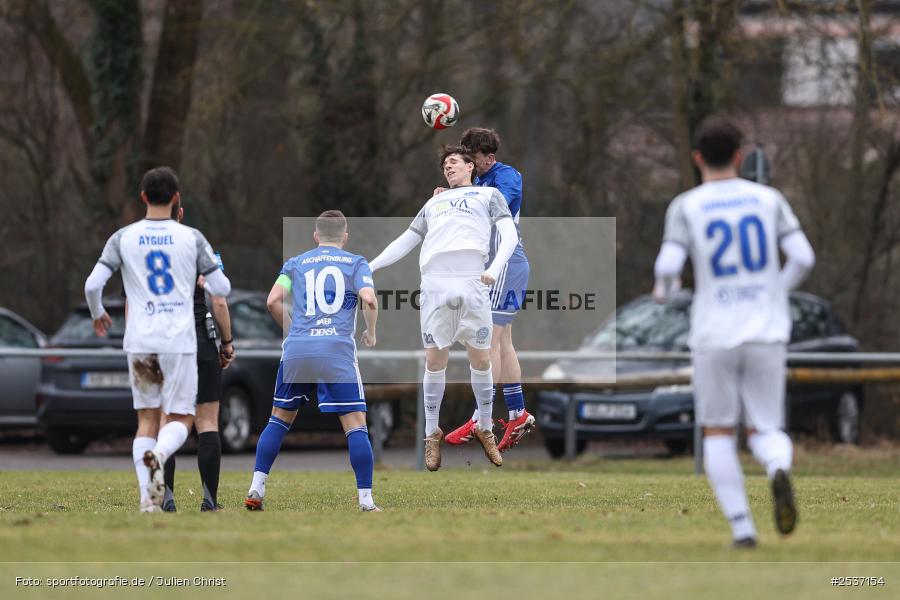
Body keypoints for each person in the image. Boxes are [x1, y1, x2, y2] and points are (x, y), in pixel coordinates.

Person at [653, 115, 815, 548]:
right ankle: (778, 465)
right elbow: (803, 257)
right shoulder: (768, 199)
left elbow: (668, 266)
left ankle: (743, 530)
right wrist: (773, 293)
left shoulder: (687, 205)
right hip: (766, 330)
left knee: (718, 431)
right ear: (740, 156)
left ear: (698, 158)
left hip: (714, 332)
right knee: (765, 427)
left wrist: (665, 292)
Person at [84, 166, 231, 513]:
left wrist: (97, 313)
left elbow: (93, 285)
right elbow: (221, 290)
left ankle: (150, 500)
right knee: (184, 420)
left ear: (143, 197)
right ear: (177, 199)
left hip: (141, 342)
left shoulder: (123, 238)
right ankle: (161, 455)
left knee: (149, 422)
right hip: (180, 341)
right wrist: (204, 280)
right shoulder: (192, 239)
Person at [369, 145, 519, 471]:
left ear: (470, 167)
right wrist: (371, 266)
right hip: (435, 284)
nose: (448, 168)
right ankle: (431, 433)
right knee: (435, 359)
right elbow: (406, 240)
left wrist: (494, 268)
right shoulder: (434, 201)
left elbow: (509, 235)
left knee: (481, 358)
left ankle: (484, 427)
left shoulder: (489, 195)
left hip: (473, 281)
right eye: (444, 165)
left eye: (454, 162)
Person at [245, 210, 380, 512]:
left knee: (279, 418)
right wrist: (370, 333)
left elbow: (272, 301)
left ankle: (256, 485)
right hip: (337, 350)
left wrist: (294, 332)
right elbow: (369, 299)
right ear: (345, 236)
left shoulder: (296, 263)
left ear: (316, 236)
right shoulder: (356, 263)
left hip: (298, 349)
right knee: (356, 425)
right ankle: (366, 501)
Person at [442, 128, 535, 453]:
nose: (469, 163)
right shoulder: (476, 181)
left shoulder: (505, 176)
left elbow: (497, 209)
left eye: (474, 160)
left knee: (489, 338)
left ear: (489, 158)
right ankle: (517, 411)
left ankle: (480, 418)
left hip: (505, 265)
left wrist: (461, 198)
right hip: (502, 266)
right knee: (504, 340)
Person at [160, 200, 235, 512]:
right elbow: (218, 301)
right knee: (207, 422)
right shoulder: (198, 245)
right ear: (180, 212)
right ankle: (209, 500)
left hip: (163, 344)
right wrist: (227, 342)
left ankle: (167, 500)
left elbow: (130, 304)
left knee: (166, 421)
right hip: (200, 343)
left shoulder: (139, 249)